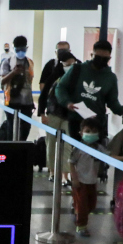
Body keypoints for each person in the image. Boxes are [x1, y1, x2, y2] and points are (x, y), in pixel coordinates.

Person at [55, 40, 123, 143]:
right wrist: (67, 102)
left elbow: (113, 103)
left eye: (105, 59)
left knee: (95, 155)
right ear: (92, 55)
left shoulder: (110, 78)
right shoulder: (77, 69)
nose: (101, 61)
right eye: (98, 58)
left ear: (109, 58)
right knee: (77, 154)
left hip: (97, 123)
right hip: (76, 120)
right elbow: (60, 87)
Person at [71, 117, 121, 237]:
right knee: (83, 205)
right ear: (81, 133)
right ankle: (81, 226)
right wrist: (75, 179)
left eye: (93, 131)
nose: (90, 134)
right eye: (87, 131)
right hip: (81, 181)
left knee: (91, 205)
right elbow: (71, 163)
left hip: (92, 181)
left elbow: (109, 157)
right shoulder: (78, 148)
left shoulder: (99, 148)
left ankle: (77, 210)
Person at [41, 45, 75, 177]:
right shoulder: (52, 68)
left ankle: (65, 174)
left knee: (67, 145)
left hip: (69, 114)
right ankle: (52, 171)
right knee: (51, 142)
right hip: (53, 111)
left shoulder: (76, 70)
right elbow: (44, 91)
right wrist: (42, 113)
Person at [0, 35, 34, 141]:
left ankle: (21, 148)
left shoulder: (30, 62)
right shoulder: (7, 62)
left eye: (22, 49)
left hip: (27, 102)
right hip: (12, 101)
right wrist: (13, 72)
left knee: (25, 128)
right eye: (18, 49)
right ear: (14, 48)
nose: (20, 52)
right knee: (11, 128)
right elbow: (2, 81)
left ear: (26, 48)